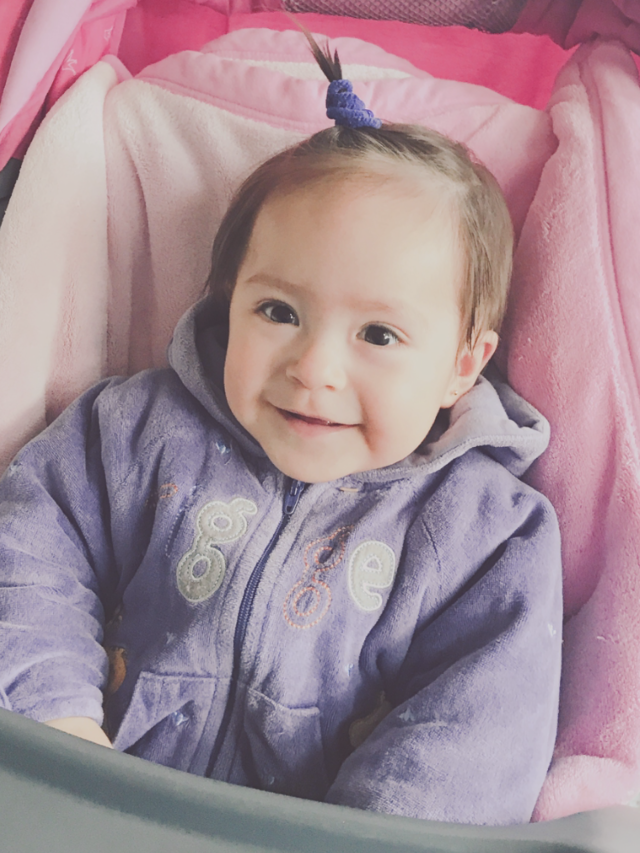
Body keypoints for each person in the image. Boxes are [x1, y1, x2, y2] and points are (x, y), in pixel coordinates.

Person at [0, 36, 562, 826]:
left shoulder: (484, 533)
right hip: (87, 806)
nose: (314, 367)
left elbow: (483, 722)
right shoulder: (134, 431)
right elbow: (31, 546)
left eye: (378, 334)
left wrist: (368, 835)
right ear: (228, 303)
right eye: (278, 311)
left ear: (462, 366)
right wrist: (56, 724)